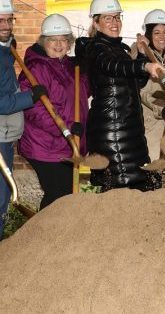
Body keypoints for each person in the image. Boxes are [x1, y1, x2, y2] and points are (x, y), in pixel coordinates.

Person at [75, 0, 164, 192]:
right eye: (108, 18)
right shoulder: (96, 48)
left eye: (117, 17)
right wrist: (145, 65)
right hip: (112, 133)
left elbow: (132, 83)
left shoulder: (117, 49)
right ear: (96, 23)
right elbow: (113, 66)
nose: (114, 22)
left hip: (128, 129)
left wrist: (141, 56)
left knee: (137, 187)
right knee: (121, 189)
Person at [17, 14, 89, 210]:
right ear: (43, 41)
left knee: (64, 196)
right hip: (46, 146)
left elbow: (83, 94)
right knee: (58, 197)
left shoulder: (69, 66)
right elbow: (34, 110)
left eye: (63, 40)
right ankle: (44, 237)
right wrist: (65, 129)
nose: (58, 45)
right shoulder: (36, 68)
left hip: (67, 144)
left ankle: (56, 236)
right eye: (53, 40)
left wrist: (87, 66)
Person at [0, 0, 46, 237]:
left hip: (4, 135)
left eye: (9, 20)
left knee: (4, 197)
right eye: (1, 20)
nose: (6, 25)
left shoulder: (6, 49)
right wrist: (30, 97)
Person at [130, 9, 165, 162]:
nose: (162, 37)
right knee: (151, 169)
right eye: (156, 33)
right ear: (148, 34)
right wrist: (161, 109)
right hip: (148, 124)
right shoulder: (139, 53)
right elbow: (139, 90)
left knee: (164, 171)